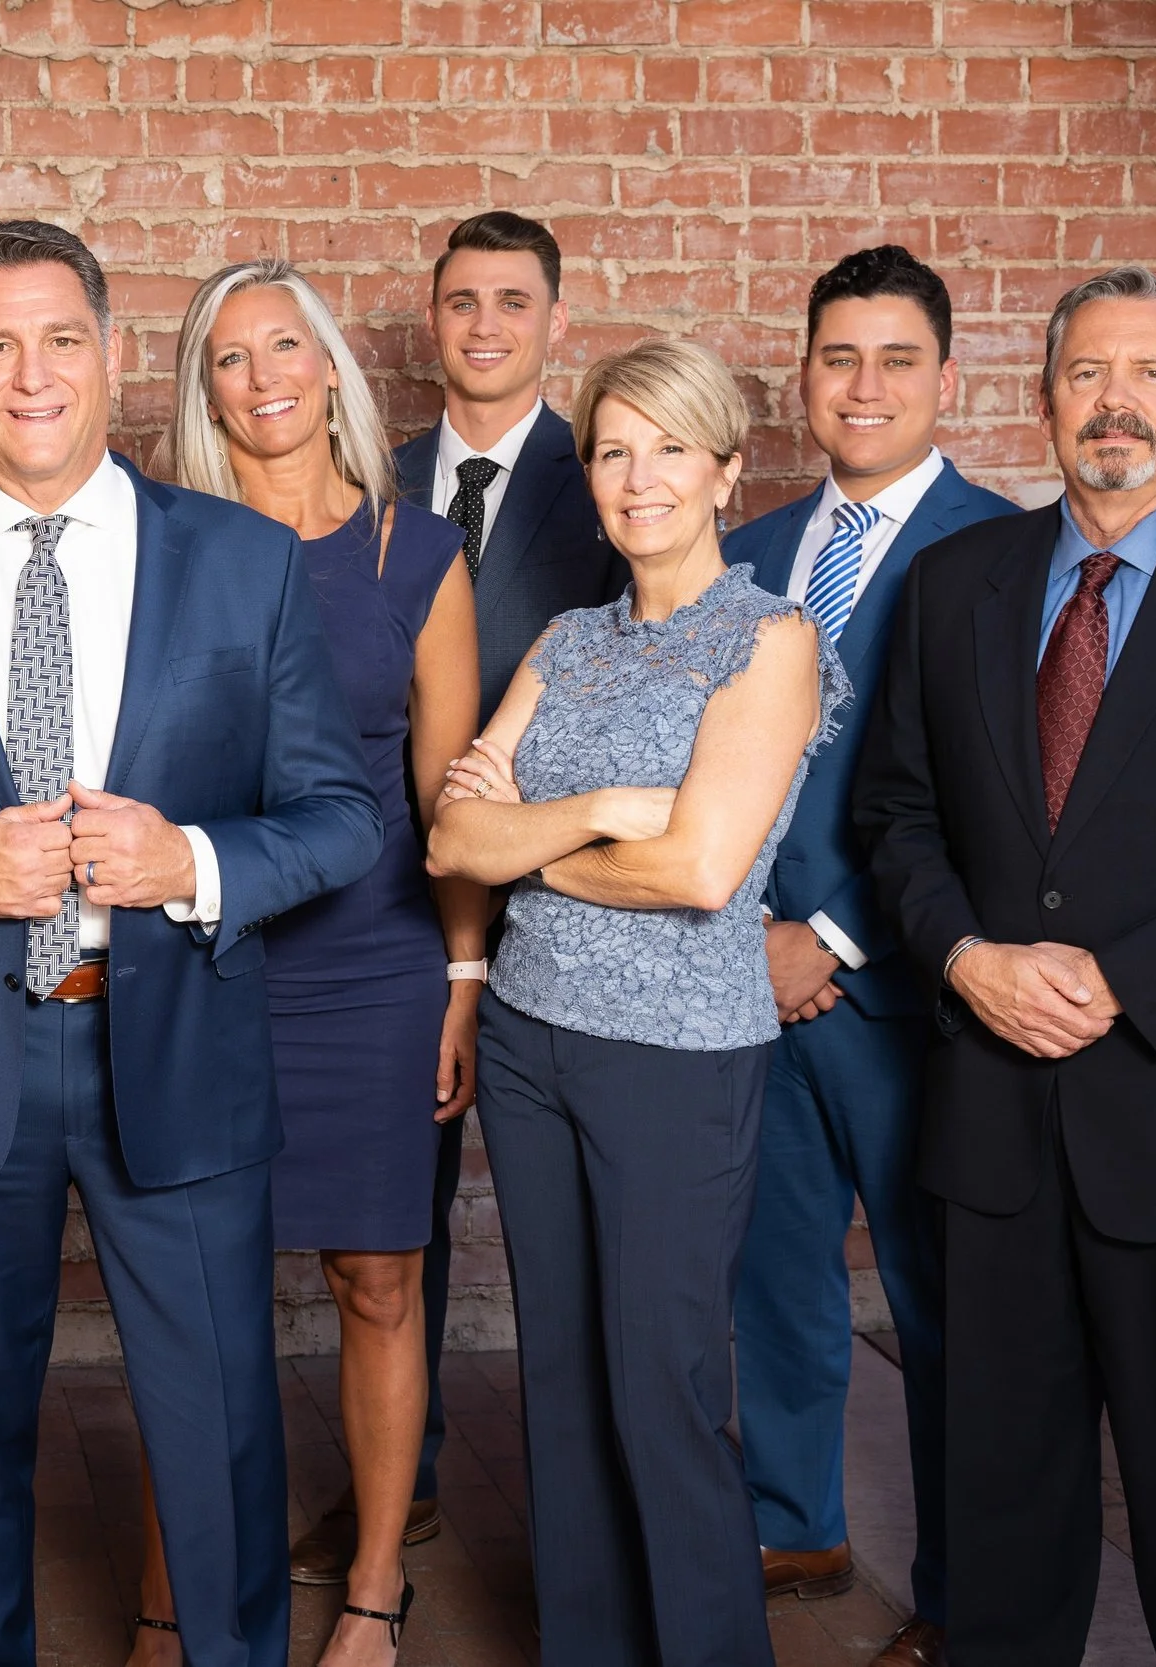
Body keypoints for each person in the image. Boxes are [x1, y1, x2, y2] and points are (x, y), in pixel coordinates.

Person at [0, 220, 383, 1667]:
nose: (30, 375)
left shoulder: (243, 563)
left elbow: (342, 815)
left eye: (59, 340)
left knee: (221, 1432)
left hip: (182, 1052)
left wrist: (192, 860)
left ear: (111, 355)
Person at [855, 267, 1156, 1667]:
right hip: (998, 1123)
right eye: (1087, 373)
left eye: (1152, 374)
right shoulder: (956, 584)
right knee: (1000, 1519)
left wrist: (1124, 982)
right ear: (1042, 400)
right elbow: (896, 814)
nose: (1117, 402)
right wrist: (967, 958)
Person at [428, 336, 849, 1667]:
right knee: (561, 1377)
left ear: (726, 469)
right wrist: (609, 808)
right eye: (613, 450)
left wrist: (531, 843)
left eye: (670, 447)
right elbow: (451, 840)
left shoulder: (770, 640)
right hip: (529, 1042)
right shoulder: (567, 640)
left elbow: (703, 872)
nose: (638, 476)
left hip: (676, 1057)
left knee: (664, 1384)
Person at [125, 258, 483, 1667]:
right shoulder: (165, 546)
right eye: (229, 356)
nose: (262, 375)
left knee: (378, 1283)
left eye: (285, 345)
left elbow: (450, 798)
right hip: (205, 960)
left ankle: (376, 1590)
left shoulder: (417, 554)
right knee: (187, 1295)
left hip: (378, 965)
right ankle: (171, 1598)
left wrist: (463, 980)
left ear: (330, 365)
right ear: (202, 390)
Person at [724, 245, 1016, 1667]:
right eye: (839, 356)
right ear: (804, 375)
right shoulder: (747, 548)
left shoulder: (1006, 550)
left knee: (943, 1301)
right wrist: (748, 936)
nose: (865, 385)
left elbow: (993, 800)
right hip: (748, 984)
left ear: (946, 379)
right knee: (772, 1275)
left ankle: (964, 1594)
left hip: (906, 995)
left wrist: (829, 935)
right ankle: (796, 1520)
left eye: (897, 359)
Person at [340, 211, 624, 1578]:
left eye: (516, 301)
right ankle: (404, 1485)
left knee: (578, 1229)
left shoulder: (617, 472)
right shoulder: (368, 477)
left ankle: (595, 1517)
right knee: (398, 1214)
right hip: (397, 908)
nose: (487, 324)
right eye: (463, 300)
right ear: (432, 319)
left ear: (556, 322)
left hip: (582, 903)